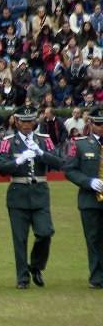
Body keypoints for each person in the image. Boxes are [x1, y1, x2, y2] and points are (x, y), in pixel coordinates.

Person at [0, 106, 63, 289]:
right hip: (18, 192)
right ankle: (22, 277)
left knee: (45, 232)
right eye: (23, 121)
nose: (26, 125)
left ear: (35, 122)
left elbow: (59, 162)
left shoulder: (44, 140)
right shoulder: (8, 142)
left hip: (40, 191)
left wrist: (42, 154)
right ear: (16, 121)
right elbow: (1, 168)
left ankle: (36, 266)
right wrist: (17, 161)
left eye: (29, 121)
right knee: (20, 238)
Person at [63, 107, 103, 289]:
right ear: (91, 124)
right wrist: (88, 182)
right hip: (90, 200)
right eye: (99, 124)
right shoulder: (79, 144)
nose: (102, 128)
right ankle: (97, 277)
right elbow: (70, 170)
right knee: (93, 239)